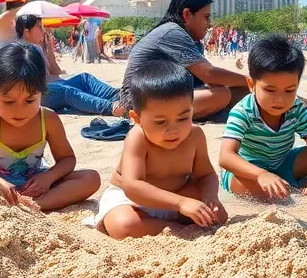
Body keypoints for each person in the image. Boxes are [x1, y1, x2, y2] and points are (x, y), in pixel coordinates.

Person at [0, 43, 101, 211]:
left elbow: (67, 159)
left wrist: (48, 178)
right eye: (9, 101)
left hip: (32, 185)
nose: (19, 110)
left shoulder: (48, 119)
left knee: (91, 178)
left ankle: (31, 207)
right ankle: (14, 205)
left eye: (29, 101)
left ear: (42, 92)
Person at [93, 61, 228, 238]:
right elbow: (133, 186)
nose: (173, 130)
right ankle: (173, 228)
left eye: (183, 118)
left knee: (219, 215)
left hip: (177, 195)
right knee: (124, 226)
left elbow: (206, 175)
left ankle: (164, 225)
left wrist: (210, 196)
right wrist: (180, 203)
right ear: (137, 118)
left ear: (191, 109)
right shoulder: (138, 138)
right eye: (160, 122)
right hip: (132, 201)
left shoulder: (195, 136)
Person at [219, 37, 307, 200]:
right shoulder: (243, 111)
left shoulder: (296, 108)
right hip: (249, 168)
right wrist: (261, 174)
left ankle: (291, 183)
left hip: (282, 163)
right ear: (251, 84)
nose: (280, 99)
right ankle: (285, 185)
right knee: (248, 188)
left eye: (289, 90)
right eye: (270, 90)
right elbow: (226, 157)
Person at [125, 0, 249, 120]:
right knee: (222, 95)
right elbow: (209, 74)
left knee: (239, 92)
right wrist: (253, 82)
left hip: (160, 94)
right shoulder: (172, 33)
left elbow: (209, 78)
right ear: (187, 15)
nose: (209, 23)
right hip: (138, 101)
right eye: (206, 17)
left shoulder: (189, 38)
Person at [14, 14, 123, 116]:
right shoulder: (19, 50)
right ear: (26, 31)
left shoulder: (36, 47)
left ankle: (119, 96)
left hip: (50, 86)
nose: (43, 31)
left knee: (84, 79)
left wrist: (49, 48)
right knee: (67, 91)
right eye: (39, 27)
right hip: (37, 93)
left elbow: (55, 71)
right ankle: (112, 108)